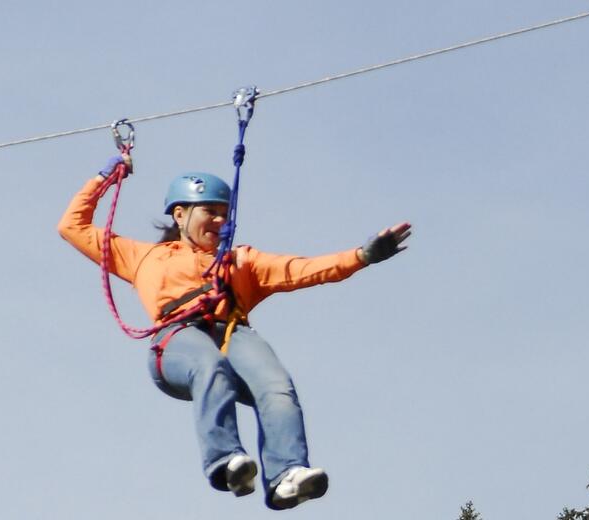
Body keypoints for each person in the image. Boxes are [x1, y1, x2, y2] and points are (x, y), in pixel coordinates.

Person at [57, 153, 411, 510]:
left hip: (232, 333)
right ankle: (225, 461)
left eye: (224, 213)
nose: (220, 220)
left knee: (276, 385)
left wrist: (361, 256)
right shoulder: (143, 256)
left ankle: (286, 474)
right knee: (210, 366)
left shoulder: (241, 261)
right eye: (209, 211)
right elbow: (73, 226)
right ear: (180, 214)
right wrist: (106, 176)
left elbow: (301, 269)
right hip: (177, 338)